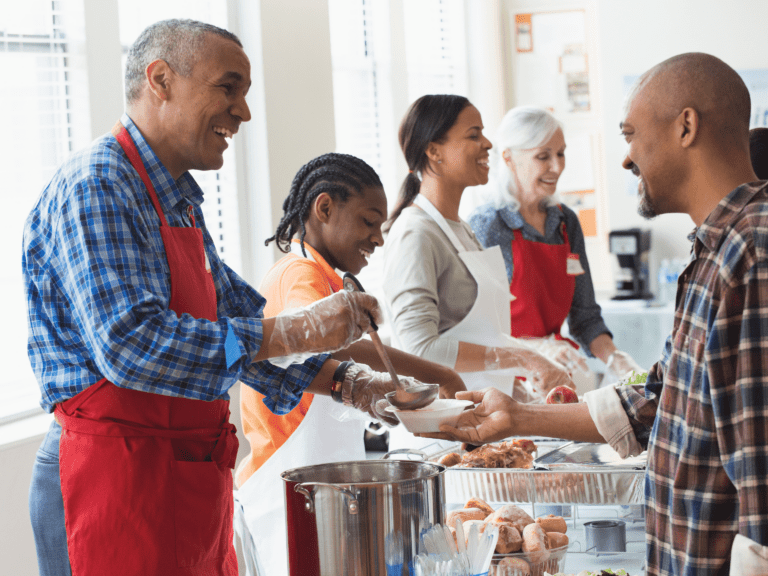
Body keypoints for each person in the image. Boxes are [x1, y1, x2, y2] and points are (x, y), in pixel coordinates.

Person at [24, 20, 407, 576]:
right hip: (111, 477)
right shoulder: (99, 185)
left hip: (179, 472)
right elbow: (134, 346)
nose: (244, 112)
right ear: (161, 80)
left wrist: (355, 385)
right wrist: (300, 329)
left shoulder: (177, 200)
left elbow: (239, 321)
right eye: (228, 88)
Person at [426, 53, 768, 576]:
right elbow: (659, 400)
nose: (626, 159)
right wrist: (516, 416)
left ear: (686, 126)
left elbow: (760, 473)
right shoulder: (713, 250)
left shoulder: (752, 251)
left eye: (630, 134)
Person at [234, 152, 467, 575]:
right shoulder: (298, 274)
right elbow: (327, 344)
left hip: (318, 487)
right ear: (324, 208)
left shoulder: (321, 274)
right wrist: (438, 373)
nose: (378, 238)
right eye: (367, 221)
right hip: (286, 489)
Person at [381, 95, 576, 450]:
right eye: (474, 135)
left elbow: (483, 338)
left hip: (480, 429)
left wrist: (523, 398)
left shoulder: (460, 229)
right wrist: (525, 356)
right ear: (434, 151)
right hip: (442, 441)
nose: (487, 144)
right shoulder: (416, 232)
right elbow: (420, 349)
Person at [468, 106, 641, 380]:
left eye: (561, 153)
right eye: (543, 156)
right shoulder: (487, 225)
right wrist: (538, 347)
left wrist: (619, 362)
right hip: (500, 380)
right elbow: (476, 333)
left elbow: (585, 318)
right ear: (509, 158)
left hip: (554, 375)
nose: (557, 167)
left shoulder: (565, 222)